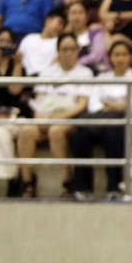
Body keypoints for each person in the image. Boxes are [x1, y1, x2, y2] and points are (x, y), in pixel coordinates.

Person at [16, 32, 94, 198]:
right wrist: (40, 118)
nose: (68, 53)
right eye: (64, 49)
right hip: (45, 116)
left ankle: (67, 179)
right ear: (58, 51)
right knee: (26, 131)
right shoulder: (47, 72)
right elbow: (38, 101)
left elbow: (82, 104)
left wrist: (58, 118)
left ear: (78, 50)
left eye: (72, 49)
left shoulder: (85, 73)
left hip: (69, 118)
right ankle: (27, 182)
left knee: (56, 131)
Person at [69, 40, 132, 200]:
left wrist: (109, 104)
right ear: (110, 58)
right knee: (79, 136)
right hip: (100, 123)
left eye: (124, 54)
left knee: (114, 133)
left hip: (125, 125)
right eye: (116, 55)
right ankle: (82, 189)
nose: (120, 59)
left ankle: (114, 188)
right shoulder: (102, 77)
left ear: (130, 57)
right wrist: (119, 105)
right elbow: (94, 105)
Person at [0, 28, 27, 194]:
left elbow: (15, 90)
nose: (3, 45)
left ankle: (12, 180)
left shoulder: (17, 65)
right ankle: (13, 178)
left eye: (7, 41)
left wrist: (18, 64)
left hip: (11, 117)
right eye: (0, 41)